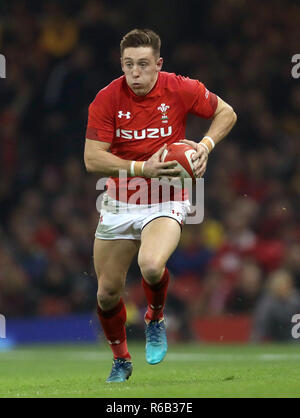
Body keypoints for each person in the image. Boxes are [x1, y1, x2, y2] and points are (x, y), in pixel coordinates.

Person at [84, 28, 237, 382]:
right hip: (122, 200)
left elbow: (226, 113)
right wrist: (141, 168)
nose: (135, 73)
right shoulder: (106, 99)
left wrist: (205, 146)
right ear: (121, 64)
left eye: (143, 65)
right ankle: (121, 358)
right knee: (107, 293)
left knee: (151, 266)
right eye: (128, 65)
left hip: (167, 195)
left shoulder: (180, 88)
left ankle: (155, 316)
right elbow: (92, 158)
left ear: (158, 64)